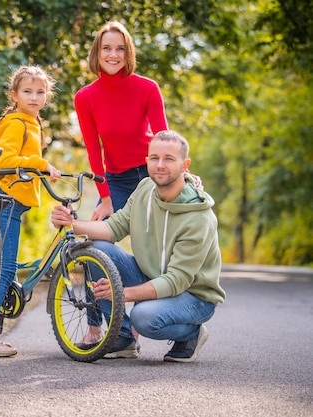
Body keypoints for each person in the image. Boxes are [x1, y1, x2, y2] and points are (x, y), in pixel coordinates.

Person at [51, 130, 225, 362]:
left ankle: (192, 333)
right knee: (96, 248)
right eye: (154, 158)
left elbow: (176, 280)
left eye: (169, 159)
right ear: (147, 161)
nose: (160, 165)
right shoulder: (144, 189)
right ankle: (123, 338)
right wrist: (71, 224)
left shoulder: (198, 218)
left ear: (185, 165)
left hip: (193, 294)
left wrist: (121, 293)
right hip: (150, 275)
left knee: (143, 318)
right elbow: (113, 228)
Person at [0, 65, 62, 357]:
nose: (35, 97)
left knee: (1, 268)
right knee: (3, 270)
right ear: (14, 95)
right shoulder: (17, 122)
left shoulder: (32, 122)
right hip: (6, 200)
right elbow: (4, 161)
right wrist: (42, 165)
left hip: (13, 202)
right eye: (27, 91)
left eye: (40, 92)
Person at [74, 20, 168, 220]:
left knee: (154, 242)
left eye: (120, 49)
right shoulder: (85, 98)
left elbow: (164, 140)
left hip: (152, 174)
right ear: (97, 53)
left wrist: (181, 174)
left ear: (128, 53)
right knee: (97, 242)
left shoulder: (148, 88)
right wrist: (105, 199)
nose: (113, 55)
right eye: (106, 48)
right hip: (117, 180)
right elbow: (94, 153)